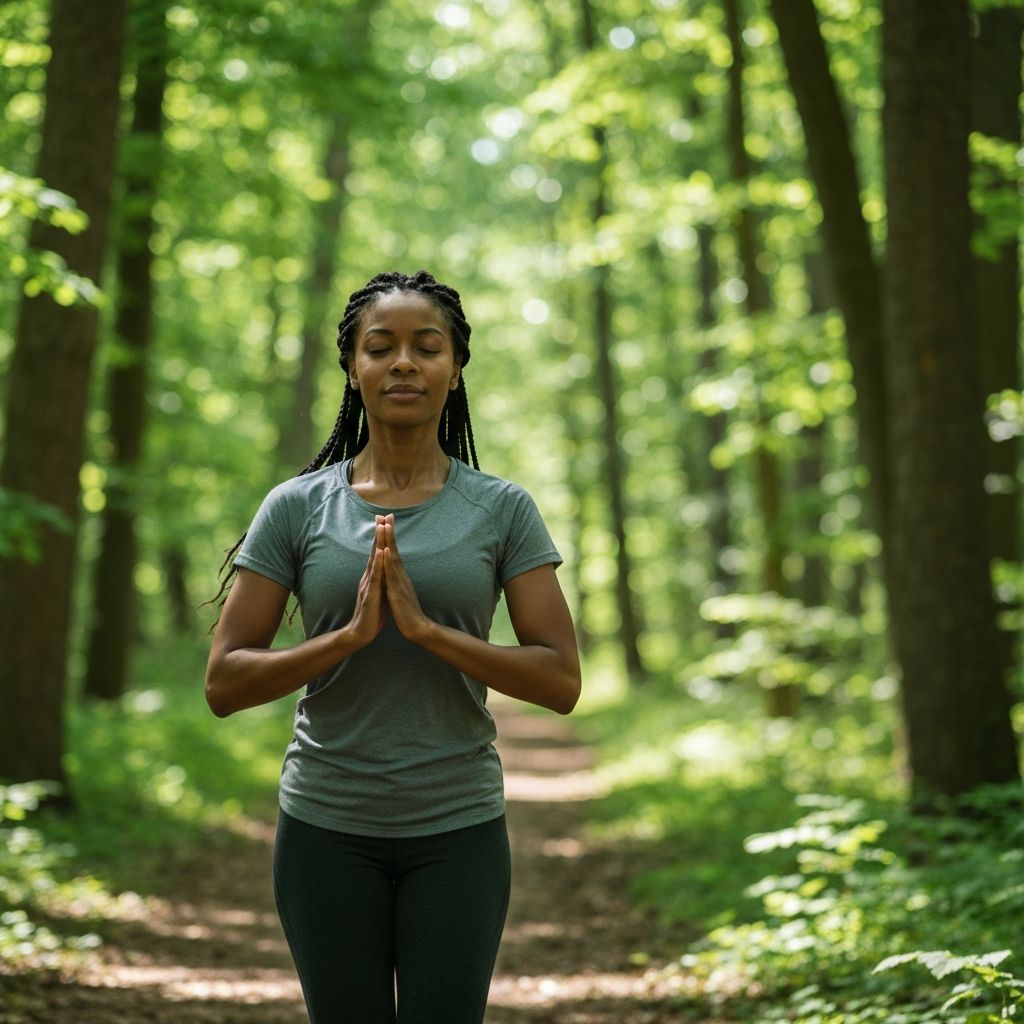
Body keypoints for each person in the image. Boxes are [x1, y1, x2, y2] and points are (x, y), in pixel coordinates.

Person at [204, 269, 581, 1024]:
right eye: (381, 347)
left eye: (426, 347)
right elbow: (224, 682)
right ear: (353, 368)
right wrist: (347, 638)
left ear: (455, 367)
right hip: (325, 826)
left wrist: (429, 633)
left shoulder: (502, 510)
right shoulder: (296, 507)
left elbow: (560, 680)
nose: (403, 363)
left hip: (459, 828)